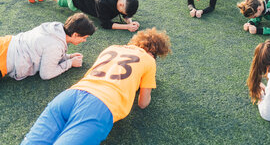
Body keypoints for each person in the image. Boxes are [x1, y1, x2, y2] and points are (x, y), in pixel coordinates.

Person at [21, 27, 171, 145]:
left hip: (70, 95)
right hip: (101, 106)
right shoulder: (149, 60)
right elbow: (143, 103)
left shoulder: (111, 48)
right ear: (154, 53)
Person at [0, 13, 95, 80]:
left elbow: (43, 52)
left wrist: (68, 57)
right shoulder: (55, 46)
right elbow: (46, 74)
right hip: (3, 60)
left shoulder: (54, 28)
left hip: (6, 42)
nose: (84, 40)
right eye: (84, 37)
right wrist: (70, 63)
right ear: (75, 34)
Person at [26, 0, 140, 31]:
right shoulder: (102, 2)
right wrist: (127, 27)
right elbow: (105, 24)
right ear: (121, 4)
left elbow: (124, 11)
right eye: (124, 13)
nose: (125, 16)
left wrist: (129, 21)